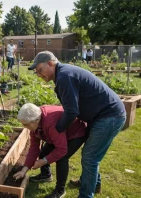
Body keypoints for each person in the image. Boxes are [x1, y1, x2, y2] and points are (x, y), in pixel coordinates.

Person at [28, 51, 126, 198]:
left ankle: (86, 195)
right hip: (101, 116)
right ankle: (94, 183)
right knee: (91, 155)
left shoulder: (64, 76)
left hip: (109, 116)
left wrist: (57, 130)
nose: (39, 74)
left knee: (90, 157)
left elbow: (72, 111)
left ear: (50, 63)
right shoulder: (63, 74)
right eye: (37, 72)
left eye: (40, 70)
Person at [13, 103, 87, 198]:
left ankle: (60, 190)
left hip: (75, 131)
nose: (24, 126)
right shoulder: (35, 123)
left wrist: (44, 161)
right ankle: (46, 175)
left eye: (25, 124)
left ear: (36, 120)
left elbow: (61, 149)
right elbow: (34, 148)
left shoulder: (50, 124)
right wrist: (24, 169)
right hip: (57, 133)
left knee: (62, 158)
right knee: (44, 152)